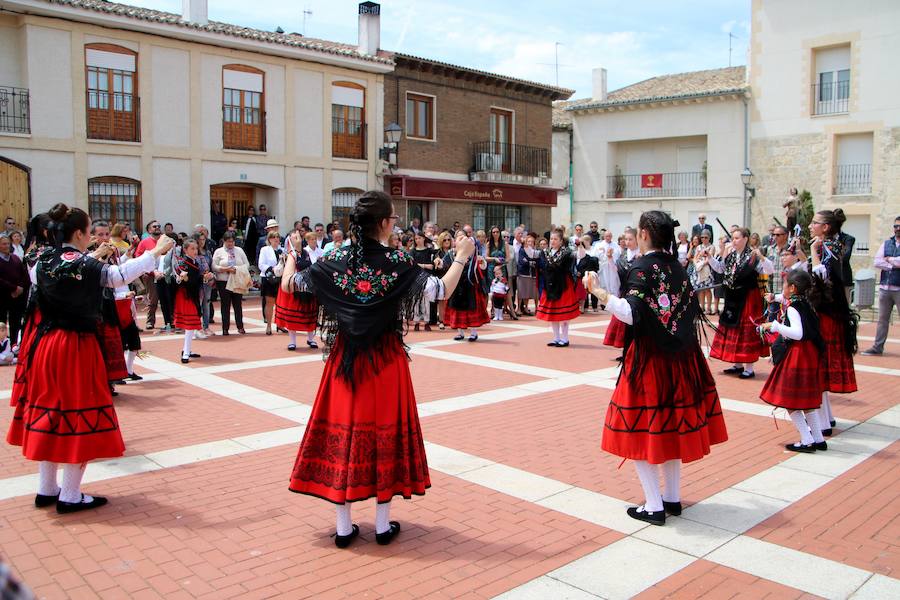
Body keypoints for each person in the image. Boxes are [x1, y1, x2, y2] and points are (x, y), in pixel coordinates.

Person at [284, 190, 476, 547]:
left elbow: (291, 285)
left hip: (345, 360)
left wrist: (291, 256)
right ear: (385, 223)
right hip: (385, 361)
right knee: (384, 434)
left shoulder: (334, 257)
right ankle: (383, 526)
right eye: (394, 219)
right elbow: (439, 290)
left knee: (344, 435)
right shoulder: (397, 261)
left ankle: (343, 529)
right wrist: (462, 257)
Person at [7, 203, 173, 514]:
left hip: (45, 344)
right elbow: (116, 276)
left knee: (51, 409)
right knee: (79, 411)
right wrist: (156, 252)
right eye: (89, 233)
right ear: (82, 233)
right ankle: (70, 494)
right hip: (75, 346)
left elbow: (71, 270)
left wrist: (92, 255)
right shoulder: (83, 262)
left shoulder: (41, 259)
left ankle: (46, 488)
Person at [583, 210, 727, 526]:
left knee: (641, 430)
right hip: (682, 360)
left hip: (650, 362)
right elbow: (689, 312)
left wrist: (597, 291)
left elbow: (632, 314)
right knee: (670, 429)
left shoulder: (643, 268)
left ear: (645, 233)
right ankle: (672, 498)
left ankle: (653, 504)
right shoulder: (678, 267)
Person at [759, 270, 827, 452]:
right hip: (809, 354)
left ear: (793, 288)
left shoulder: (793, 307)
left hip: (798, 356)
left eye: (785, 285)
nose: (783, 289)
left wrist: (774, 326)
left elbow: (798, 333)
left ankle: (807, 439)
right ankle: (818, 438)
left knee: (790, 401)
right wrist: (776, 299)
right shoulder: (806, 303)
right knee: (807, 401)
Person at [809, 209, 858, 435]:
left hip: (827, 314)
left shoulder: (829, 247)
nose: (811, 226)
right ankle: (826, 417)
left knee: (819, 366)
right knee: (821, 367)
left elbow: (822, 277)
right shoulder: (831, 246)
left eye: (815, 223)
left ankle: (823, 423)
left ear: (826, 227)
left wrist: (812, 251)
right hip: (830, 312)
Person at [708, 228, 773, 378]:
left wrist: (762, 257)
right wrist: (710, 258)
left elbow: (768, 271)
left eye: (737, 238)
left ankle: (749, 368)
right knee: (733, 328)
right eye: (733, 238)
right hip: (732, 297)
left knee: (746, 331)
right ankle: (737, 364)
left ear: (745, 239)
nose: (734, 241)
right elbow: (720, 269)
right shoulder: (731, 256)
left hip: (748, 297)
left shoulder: (753, 256)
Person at [862, 216, 900, 356]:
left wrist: (889, 259)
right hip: (885, 288)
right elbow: (877, 262)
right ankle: (878, 347)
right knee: (882, 320)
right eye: (896, 226)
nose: (898, 229)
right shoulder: (886, 243)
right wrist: (893, 265)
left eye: (899, 226)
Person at [274, 234, 318, 350]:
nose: (297, 239)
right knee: (292, 314)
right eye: (294, 237)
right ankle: (292, 341)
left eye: (298, 237)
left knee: (309, 313)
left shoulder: (306, 253)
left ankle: (310, 338)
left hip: (307, 286)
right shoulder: (290, 255)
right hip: (294, 287)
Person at [537, 228, 580, 347]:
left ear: (561, 241)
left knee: (564, 315)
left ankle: (565, 339)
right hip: (549, 284)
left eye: (556, 239)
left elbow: (579, 256)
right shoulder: (544, 252)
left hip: (563, 285)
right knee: (552, 314)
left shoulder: (567, 253)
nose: (553, 241)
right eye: (551, 239)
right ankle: (556, 338)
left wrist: (580, 246)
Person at [445, 230, 489, 341]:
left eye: (463, 238)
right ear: (455, 241)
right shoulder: (451, 253)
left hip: (470, 286)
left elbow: (482, 267)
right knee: (457, 309)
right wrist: (438, 262)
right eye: (459, 238)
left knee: (471, 309)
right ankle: (460, 332)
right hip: (456, 286)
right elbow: (444, 263)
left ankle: (474, 333)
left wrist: (482, 262)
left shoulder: (473, 252)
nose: (461, 240)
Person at [603, 228, 640, 354]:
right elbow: (616, 271)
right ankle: (626, 351)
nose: (627, 242)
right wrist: (609, 259)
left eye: (630, 239)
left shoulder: (642, 254)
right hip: (624, 291)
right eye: (626, 239)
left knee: (635, 323)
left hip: (637, 293)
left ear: (637, 239)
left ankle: (634, 351)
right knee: (623, 322)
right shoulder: (623, 254)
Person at [173, 239, 206, 363]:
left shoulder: (194, 262)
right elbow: (181, 280)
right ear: (185, 250)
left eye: (196, 248)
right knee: (190, 324)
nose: (195, 251)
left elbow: (195, 280)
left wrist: (204, 277)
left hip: (193, 294)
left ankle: (187, 349)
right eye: (192, 248)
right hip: (186, 296)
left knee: (191, 324)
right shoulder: (183, 263)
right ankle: (186, 353)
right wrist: (183, 278)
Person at [212, 232, 249, 335]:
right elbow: (214, 266)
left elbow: (247, 264)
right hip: (223, 281)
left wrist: (237, 269)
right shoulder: (219, 251)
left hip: (237, 280)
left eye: (232, 241)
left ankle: (240, 326)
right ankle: (225, 328)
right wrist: (224, 269)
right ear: (224, 241)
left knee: (238, 304)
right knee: (225, 305)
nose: (230, 244)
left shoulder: (239, 250)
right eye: (228, 242)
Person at [0, 235, 28, 345]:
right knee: (1, 322)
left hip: (16, 297)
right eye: (4, 244)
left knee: (15, 322)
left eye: (8, 243)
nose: (7, 246)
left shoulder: (15, 258)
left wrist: (20, 288)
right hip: (2, 297)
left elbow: (24, 275)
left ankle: (14, 344)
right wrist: (13, 288)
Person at [135, 221, 163, 330]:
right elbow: (139, 257)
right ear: (149, 230)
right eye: (154, 226)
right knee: (153, 299)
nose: (157, 228)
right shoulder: (144, 243)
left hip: (165, 273)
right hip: (150, 275)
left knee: (167, 298)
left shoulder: (165, 241)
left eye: (159, 226)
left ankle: (170, 321)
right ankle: (150, 321)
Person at [258, 231, 284, 336]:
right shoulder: (265, 249)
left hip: (281, 278)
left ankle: (280, 324)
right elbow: (261, 264)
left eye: (277, 237)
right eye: (273, 238)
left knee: (281, 303)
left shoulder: (282, 250)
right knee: (269, 302)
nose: (276, 239)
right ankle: (268, 325)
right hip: (269, 278)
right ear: (269, 239)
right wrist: (272, 269)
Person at [412, 232, 435, 331]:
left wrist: (421, 265)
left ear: (424, 239)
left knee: (426, 300)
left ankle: (426, 322)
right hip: (415, 278)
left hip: (427, 277)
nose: (418, 240)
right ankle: (416, 322)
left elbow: (432, 266)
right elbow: (412, 264)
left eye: (419, 238)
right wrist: (423, 265)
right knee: (416, 300)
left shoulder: (429, 251)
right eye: (416, 238)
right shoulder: (412, 251)